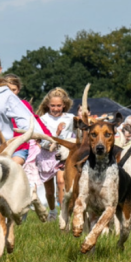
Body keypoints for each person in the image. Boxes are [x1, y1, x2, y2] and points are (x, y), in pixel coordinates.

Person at [37, 87, 75, 221]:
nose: (56, 108)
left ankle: (63, 213)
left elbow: (76, 135)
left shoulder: (70, 118)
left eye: (59, 105)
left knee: (61, 181)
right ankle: (52, 211)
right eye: (53, 105)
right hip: (46, 155)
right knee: (49, 191)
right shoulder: (42, 119)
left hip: (63, 155)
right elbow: (42, 142)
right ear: (48, 105)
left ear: (64, 105)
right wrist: (57, 133)